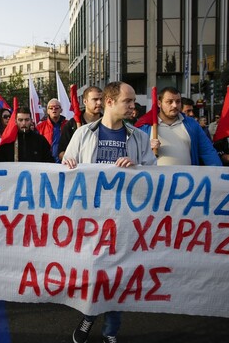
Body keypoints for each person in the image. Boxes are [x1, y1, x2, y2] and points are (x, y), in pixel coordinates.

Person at [62, 82, 156, 343]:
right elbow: (67, 170)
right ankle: (90, 315)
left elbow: (154, 174)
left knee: (119, 277)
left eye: (133, 102)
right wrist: (67, 164)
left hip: (126, 219)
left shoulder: (138, 137)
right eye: (128, 101)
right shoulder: (82, 134)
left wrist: (137, 167)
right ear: (110, 102)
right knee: (94, 273)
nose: (132, 106)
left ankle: (110, 331)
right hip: (91, 220)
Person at [138, 87, 221, 166]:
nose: (174, 105)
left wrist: (218, 174)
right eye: (169, 102)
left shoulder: (192, 124)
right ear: (159, 103)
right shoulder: (145, 127)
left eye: (178, 101)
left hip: (187, 179)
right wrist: (146, 148)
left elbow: (208, 152)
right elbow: (133, 155)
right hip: (156, 180)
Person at [58, 86, 103, 160]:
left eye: (101, 99)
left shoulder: (108, 124)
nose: (99, 102)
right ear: (85, 101)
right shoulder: (72, 125)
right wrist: (71, 160)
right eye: (95, 99)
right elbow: (61, 153)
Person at [37, 98, 68, 163]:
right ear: (47, 111)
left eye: (56, 108)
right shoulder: (40, 127)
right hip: (47, 163)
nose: (54, 109)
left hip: (65, 162)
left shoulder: (68, 125)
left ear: (61, 110)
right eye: (51, 108)